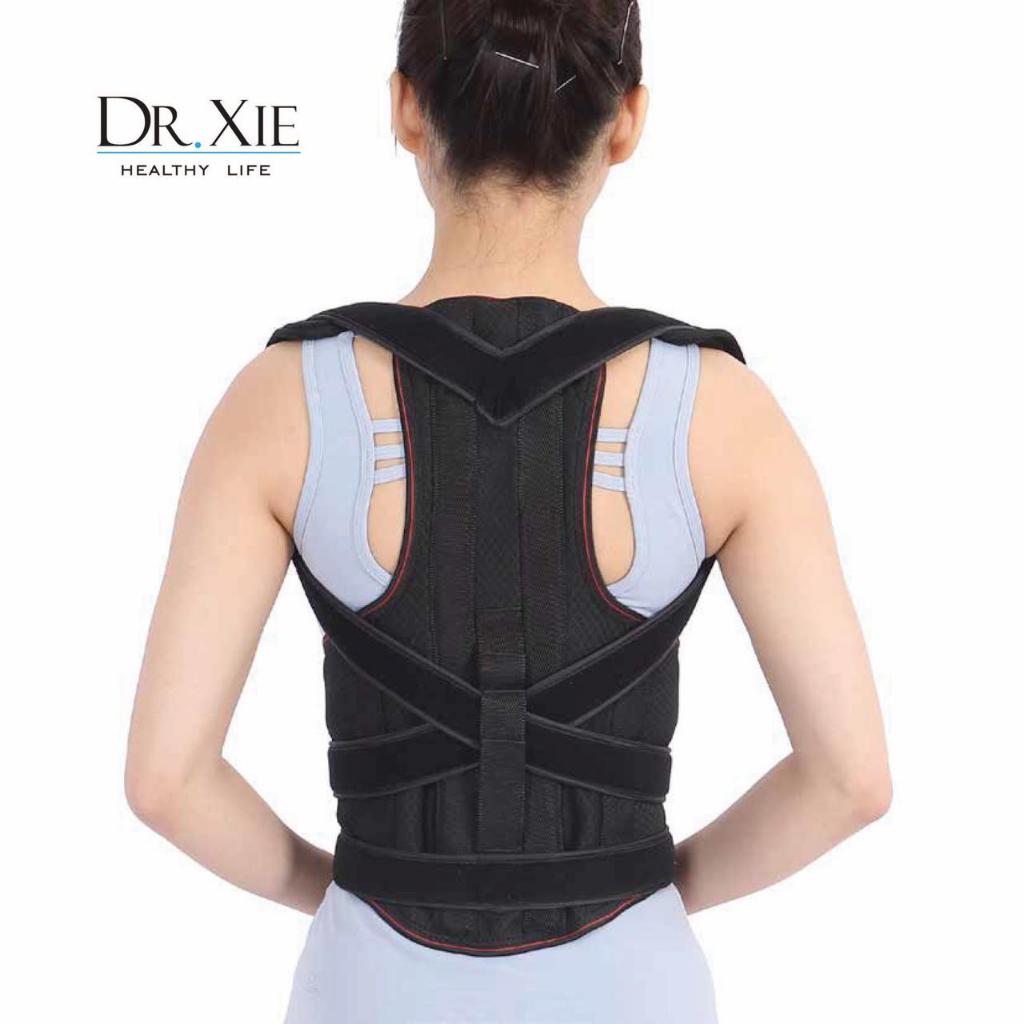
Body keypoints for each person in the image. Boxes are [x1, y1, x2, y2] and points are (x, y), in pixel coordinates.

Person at [126, 2, 891, 1021]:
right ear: (626, 122)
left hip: (368, 982)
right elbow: (850, 779)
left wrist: (348, 888)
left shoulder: (282, 399)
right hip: (633, 983)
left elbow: (166, 780)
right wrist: (647, 890)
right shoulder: (720, 409)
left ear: (406, 108)